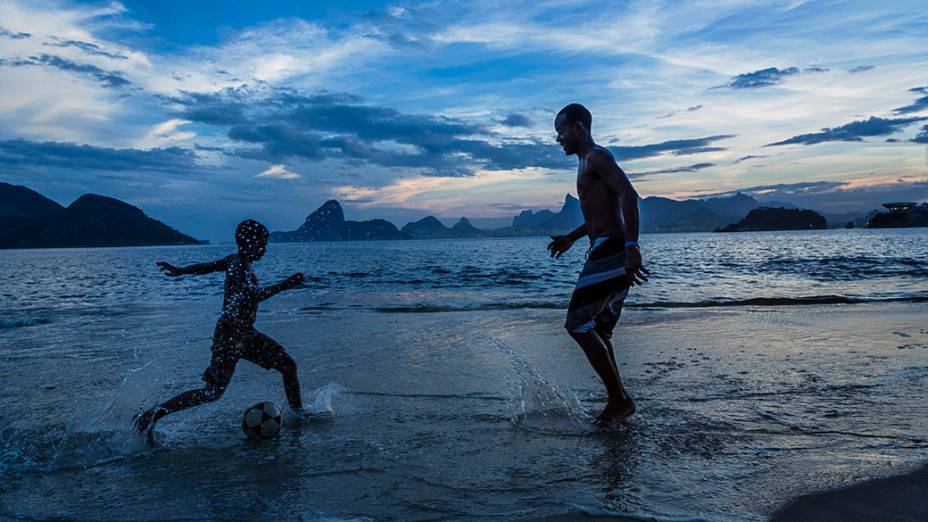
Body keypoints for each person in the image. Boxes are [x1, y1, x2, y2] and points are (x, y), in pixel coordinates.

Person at [134, 219, 305, 442]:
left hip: (243, 332)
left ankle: (298, 415)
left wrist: (181, 270)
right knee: (212, 392)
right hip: (231, 335)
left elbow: (208, 267)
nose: (264, 249)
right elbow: (253, 298)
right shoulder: (240, 268)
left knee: (287, 365)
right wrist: (286, 284)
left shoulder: (235, 260)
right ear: (249, 244)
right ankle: (149, 417)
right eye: (262, 244)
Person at [547, 103, 650, 427]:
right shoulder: (584, 164)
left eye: (561, 131)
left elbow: (628, 196)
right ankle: (618, 401)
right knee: (600, 329)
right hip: (604, 247)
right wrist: (573, 238)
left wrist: (632, 247)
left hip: (613, 250)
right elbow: (596, 213)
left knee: (578, 323)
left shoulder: (597, 157)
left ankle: (619, 399)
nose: (559, 138)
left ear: (579, 128)